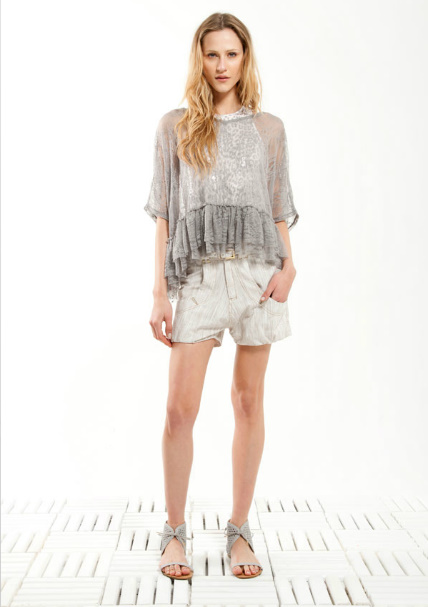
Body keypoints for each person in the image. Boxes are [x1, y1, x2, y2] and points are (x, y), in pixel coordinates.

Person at [144, 12, 299, 581]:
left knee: (248, 403)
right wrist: (160, 291)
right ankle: (174, 531)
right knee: (178, 410)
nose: (222, 65)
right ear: (199, 59)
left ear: (245, 58)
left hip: (260, 278)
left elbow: (278, 207)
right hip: (200, 279)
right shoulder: (175, 127)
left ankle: (239, 530)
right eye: (212, 54)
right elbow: (163, 214)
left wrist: (290, 267)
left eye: (231, 54)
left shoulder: (269, 130)